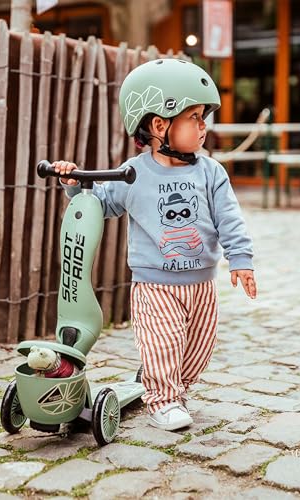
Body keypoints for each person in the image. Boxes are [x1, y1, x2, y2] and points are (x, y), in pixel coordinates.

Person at [53, 58, 257, 431]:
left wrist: (240, 258)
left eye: (203, 118)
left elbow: (229, 217)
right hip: (155, 285)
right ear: (160, 125)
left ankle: (171, 385)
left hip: (201, 283)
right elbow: (101, 202)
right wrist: (74, 184)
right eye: (194, 117)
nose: (203, 126)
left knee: (198, 349)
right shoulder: (133, 173)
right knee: (163, 343)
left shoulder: (211, 172)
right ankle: (161, 398)